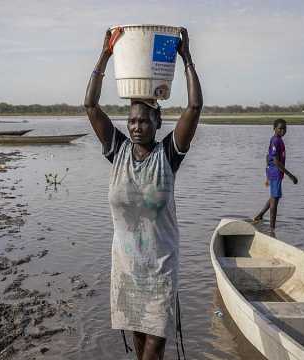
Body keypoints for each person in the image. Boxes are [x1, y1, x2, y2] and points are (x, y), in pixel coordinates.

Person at [84, 27, 202, 360]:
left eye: (144, 122)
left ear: (157, 122)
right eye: (132, 121)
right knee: (138, 338)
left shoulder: (168, 155)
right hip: (126, 266)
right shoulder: (117, 150)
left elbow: (194, 107)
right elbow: (90, 105)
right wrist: (105, 54)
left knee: (156, 340)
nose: (136, 127)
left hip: (160, 268)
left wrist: (186, 58)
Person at [253, 118, 298, 236]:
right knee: (275, 202)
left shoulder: (278, 140)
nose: (283, 131)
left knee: (274, 197)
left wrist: (268, 169)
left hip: (275, 172)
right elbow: (276, 161)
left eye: (285, 129)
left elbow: (268, 156)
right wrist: (290, 175)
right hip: (275, 172)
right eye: (280, 128)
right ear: (274, 129)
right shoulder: (275, 141)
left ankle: (260, 215)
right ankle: (272, 230)